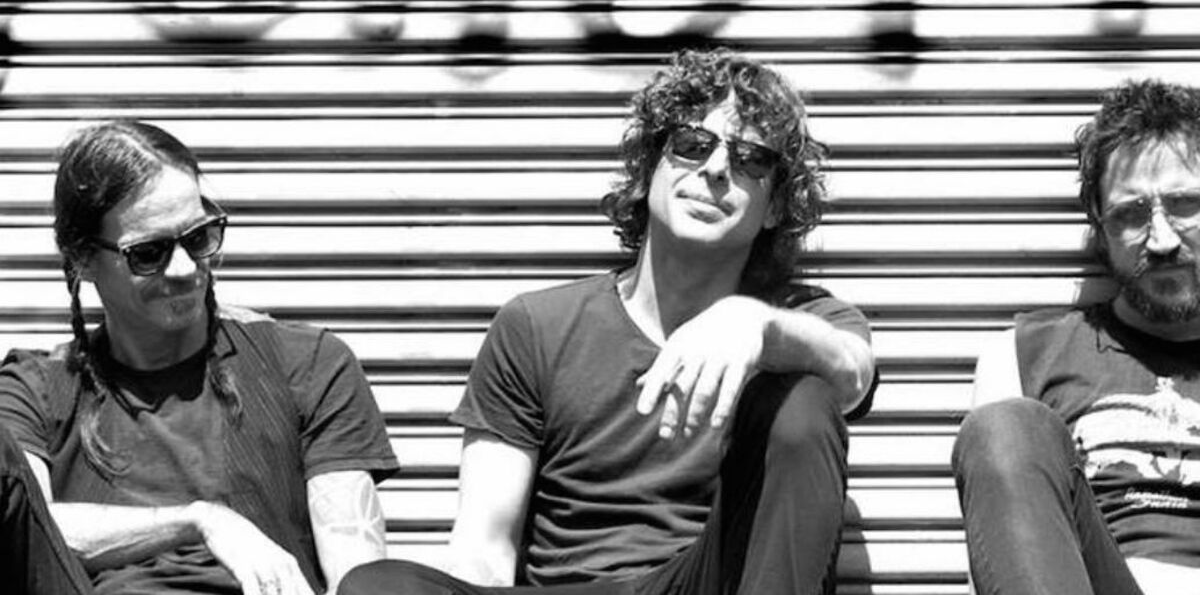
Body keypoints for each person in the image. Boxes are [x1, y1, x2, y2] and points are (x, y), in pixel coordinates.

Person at [340, 47, 877, 595]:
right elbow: (484, 548)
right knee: (377, 585)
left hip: (701, 582)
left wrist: (756, 326)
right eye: (692, 144)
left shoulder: (800, 320)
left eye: (751, 159)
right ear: (649, 168)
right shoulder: (538, 325)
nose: (716, 169)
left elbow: (852, 375)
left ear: (775, 207)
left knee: (805, 398)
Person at [0, 120, 400, 595]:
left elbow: (357, 572)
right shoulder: (35, 389)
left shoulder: (308, 364)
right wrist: (201, 522)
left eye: (198, 237)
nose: (185, 268)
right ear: (82, 259)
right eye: (149, 252)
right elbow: (25, 534)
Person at [952, 79, 1200, 595]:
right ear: (1100, 230)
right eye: (1131, 214)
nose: (1161, 239)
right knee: (1005, 427)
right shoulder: (1024, 355)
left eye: (1183, 205)